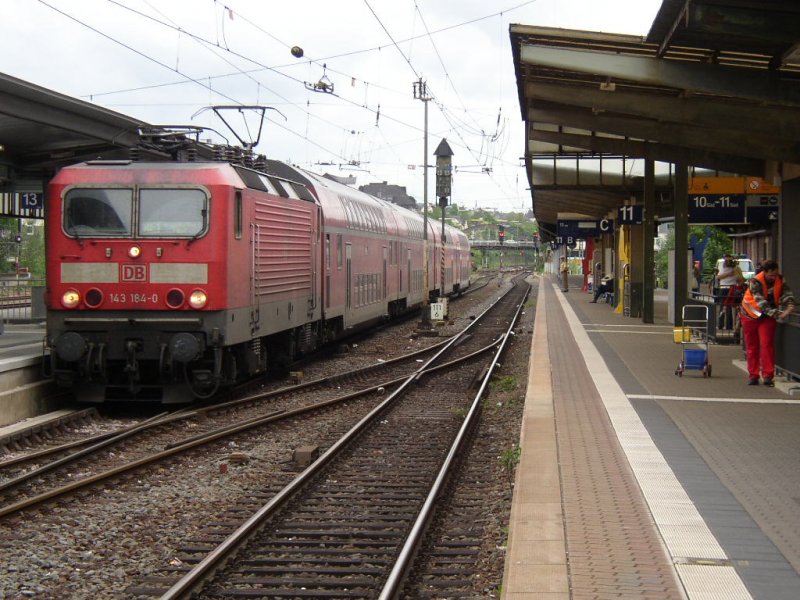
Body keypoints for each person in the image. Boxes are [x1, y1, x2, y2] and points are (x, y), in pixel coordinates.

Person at [739, 259, 795, 386]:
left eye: (775, 275)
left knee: (766, 344)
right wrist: (780, 314)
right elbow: (762, 303)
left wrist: (790, 305)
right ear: (765, 272)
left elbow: (787, 293)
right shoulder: (755, 282)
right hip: (750, 315)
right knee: (752, 346)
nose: (773, 278)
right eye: (771, 275)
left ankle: (768, 376)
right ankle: (753, 375)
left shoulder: (780, 279)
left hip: (767, 317)